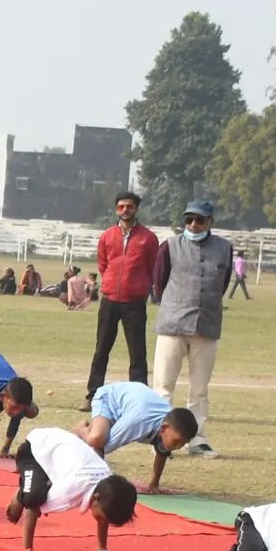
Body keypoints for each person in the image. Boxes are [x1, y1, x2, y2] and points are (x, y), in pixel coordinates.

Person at [150, 199, 230, 456]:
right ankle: (160, 439)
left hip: (206, 326)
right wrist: (176, 305)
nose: (193, 225)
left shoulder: (224, 248)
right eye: (189, 220)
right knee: (163, 386)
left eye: (199, 220)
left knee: (199, 388)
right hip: (173, 323)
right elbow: (158, 282)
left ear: (210, 222)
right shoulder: (170, 246)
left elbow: (223, 283)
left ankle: (197, 439)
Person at [6, 426, 139, 551]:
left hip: (62, 451)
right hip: (35, 449)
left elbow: (104, 517)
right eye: (101, 517)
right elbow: (32, 511)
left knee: (46, 489)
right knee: (32, 498)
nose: (102, 520)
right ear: (95, 498)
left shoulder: (108, 485)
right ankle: (21, 493)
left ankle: (44, 484)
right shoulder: (70, 491)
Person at [87, 191, 158, 398]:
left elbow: (152, 267)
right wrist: (111, 284)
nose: (125, 210)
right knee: (101, 350)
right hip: (109, 300)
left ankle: (140, 398)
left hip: (134, 302)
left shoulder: (148, 238)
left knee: (137, 353)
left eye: (129, 206)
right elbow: (103, 265)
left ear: (136, 208)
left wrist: (141, 288)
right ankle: (93, 394)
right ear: (116, 209)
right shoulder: (107, 236)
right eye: (121, 207)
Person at [74, 381, 196, 493]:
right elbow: (99, 450)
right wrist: (101, 484)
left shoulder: (170, 427)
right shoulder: (139, 423)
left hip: (134, 400)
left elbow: (162, 452)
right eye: (176, 442)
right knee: (97, 440)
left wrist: (153, 484)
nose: (178, 447)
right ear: (164, 428)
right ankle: (81, 429)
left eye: (183, 443)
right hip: (108, 399)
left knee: (99, 440)